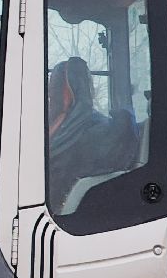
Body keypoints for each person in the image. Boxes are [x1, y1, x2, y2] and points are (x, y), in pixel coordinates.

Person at [45, 56, 135, 213]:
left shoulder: (97, 131)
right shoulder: (50, 124)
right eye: (51, 87)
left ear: (75, 88)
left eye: (57, 87)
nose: (51, 93)